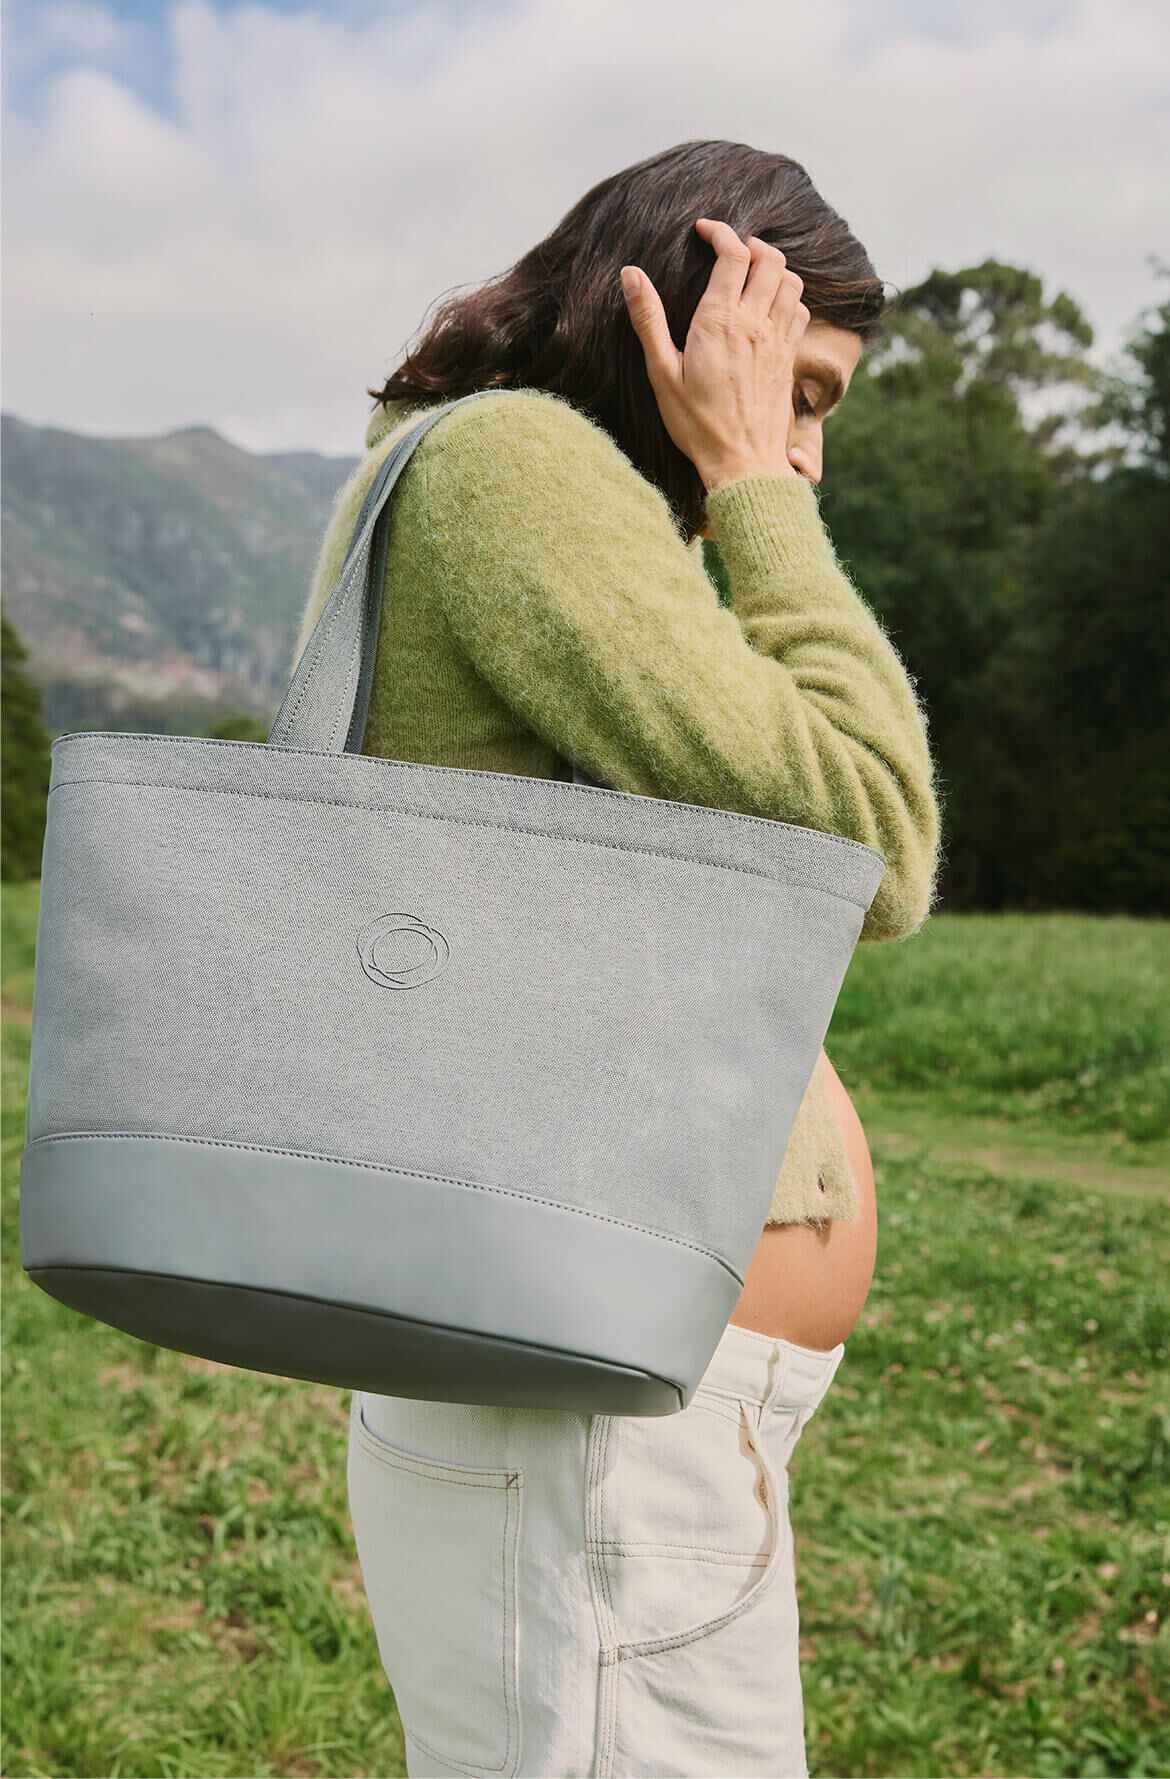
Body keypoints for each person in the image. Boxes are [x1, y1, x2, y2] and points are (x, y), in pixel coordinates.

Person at [296, 140, 939, 1779]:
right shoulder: (519, 468)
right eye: (787, 383)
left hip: (599, 1399)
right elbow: (869, 836)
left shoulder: (537, 492)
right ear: (676, 317)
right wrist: (755, 496)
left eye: (820, 410)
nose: (803, 449)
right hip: (580, 1411)